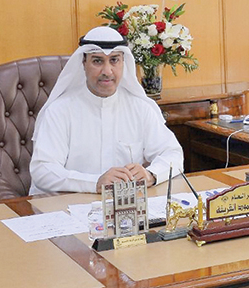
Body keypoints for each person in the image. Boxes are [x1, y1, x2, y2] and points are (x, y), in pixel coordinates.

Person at [28, 26, 184, 195]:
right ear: (83, 63)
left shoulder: (140, 108)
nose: (107, 71)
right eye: (97, 61)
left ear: (124, 62)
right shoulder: (59, 111)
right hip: (70, 207)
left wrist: (151, 174)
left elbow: (173, 154)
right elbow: (42, 171)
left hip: (126, 210)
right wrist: (94, 183)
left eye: (114, 60)